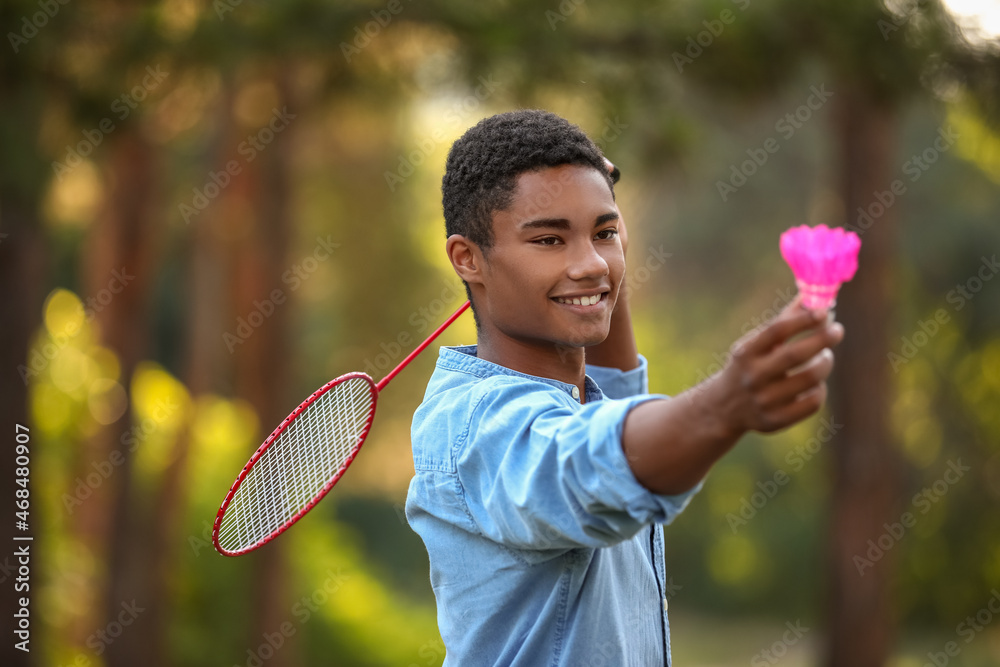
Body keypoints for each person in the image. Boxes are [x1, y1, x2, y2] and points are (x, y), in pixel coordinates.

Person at [404, 109, 844, 665]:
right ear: (468, 258)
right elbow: (589, 468)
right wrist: (724, 405)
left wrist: (590, 220)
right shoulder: (477, 427)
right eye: (548, 240)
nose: (591, 264)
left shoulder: (577, 391)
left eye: (605, 233)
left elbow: (615, 389)